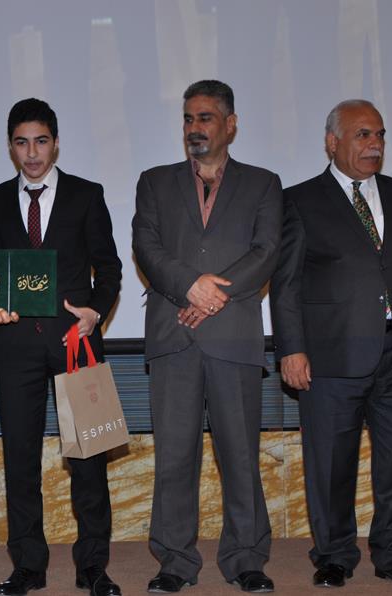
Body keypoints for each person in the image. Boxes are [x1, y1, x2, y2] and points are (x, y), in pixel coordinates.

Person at [270, 99, 392, 589]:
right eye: (363, 135)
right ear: (332, 142)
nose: (375, 144)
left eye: (380, 135)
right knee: (331, 462)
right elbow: (285, 284)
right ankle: (334, 555)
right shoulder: (299, 201)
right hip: (330, 355)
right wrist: (291, 349)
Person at [132, 80, 281, 594]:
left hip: (234, 337)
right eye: (188, 119)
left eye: (206, 118)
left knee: (240, 456)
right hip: (173, 336)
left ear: (230, 125)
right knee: (175, 457)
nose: (194, 127)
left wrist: (213, 295)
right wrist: (190, 287)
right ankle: (175, 561)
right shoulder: (154, 182)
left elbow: (267, 251)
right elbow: (146, 246)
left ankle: (247, 559)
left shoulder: (263, 184)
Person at [0, 98, 123, 596]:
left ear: (56, 143)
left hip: (75, 342)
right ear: (11, 147)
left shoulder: (87, 194)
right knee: (20, 461)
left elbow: (110, 268)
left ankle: (93, 566)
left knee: (88, 460)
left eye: (41, 141)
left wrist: (95, 312)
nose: (32, 153)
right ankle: (28, 566)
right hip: (16, 347)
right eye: (22, 143)